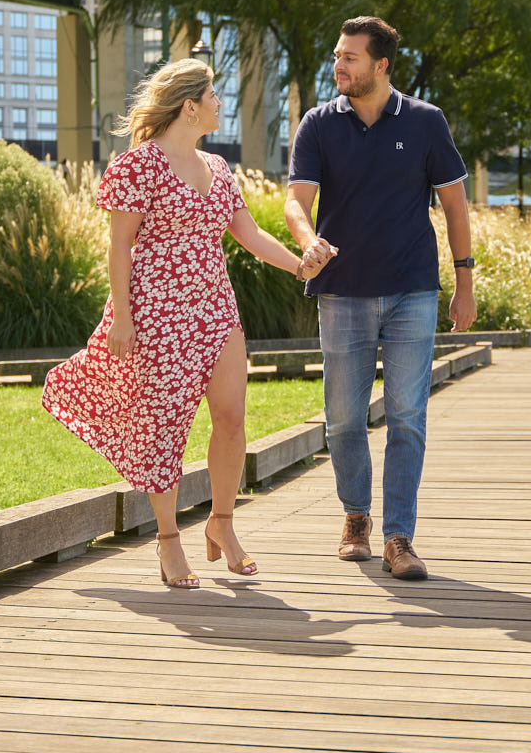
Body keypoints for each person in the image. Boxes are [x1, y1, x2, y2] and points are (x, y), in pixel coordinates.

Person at [42, 57, 329, 590]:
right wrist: (122, 319)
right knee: (164, 427)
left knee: (232, 418)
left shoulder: (220, 168)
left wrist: (299, 263)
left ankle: (222, 524)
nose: (221, 104)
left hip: (216, 310)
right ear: (190, 106)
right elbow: (119, 247)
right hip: (156, 315)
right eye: (214, 96)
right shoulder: (138, 166)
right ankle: (168, 539)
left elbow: (247, 234)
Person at [284, 16, 474, 582]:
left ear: (382, 64)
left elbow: (456, 208)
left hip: (413, 289)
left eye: (350, 58)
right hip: (341, 293)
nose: (339, 66)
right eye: (338, 57)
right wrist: (305, 238)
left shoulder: (424, 122)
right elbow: (296, 201)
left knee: (407, 416)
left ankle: (399, 537)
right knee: (342, 419)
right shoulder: (318, 124)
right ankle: (355, 517)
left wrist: (464, 284)